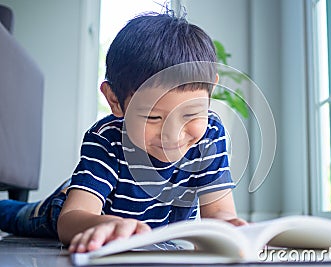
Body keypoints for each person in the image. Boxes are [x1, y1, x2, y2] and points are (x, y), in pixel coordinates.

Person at [0, 12, 247, 253]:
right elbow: (71, 219)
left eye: (191, 114)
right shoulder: (107, 138)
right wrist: (106, 224)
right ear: (115, 101)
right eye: (153, 117)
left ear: (210, 92)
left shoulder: (211, 134)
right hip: (71, 207)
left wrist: (232, 228)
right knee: (16, 215)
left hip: (144, 227)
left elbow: (219, 214)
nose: (172, 136)